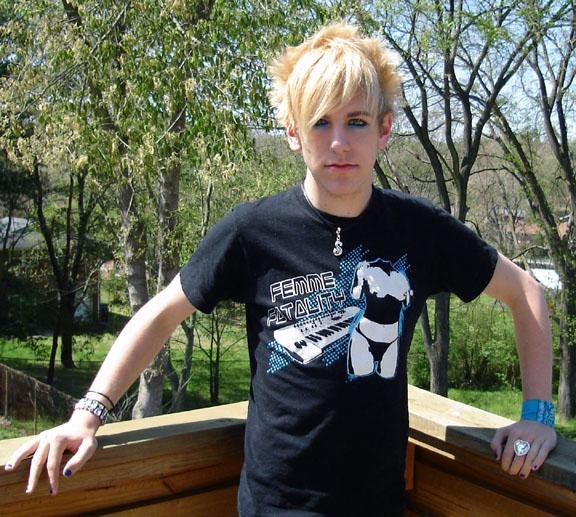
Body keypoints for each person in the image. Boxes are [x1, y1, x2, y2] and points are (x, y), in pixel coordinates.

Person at [4, 23, 557, 515]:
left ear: (385, 130)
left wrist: (537, 414)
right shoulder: (253, 231)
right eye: (320, 123)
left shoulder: (419, 230)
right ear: (293, 133)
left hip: (378, 502)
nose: (338, 142)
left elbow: (526, 292)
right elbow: (161, 313)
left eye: (357, 122)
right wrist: (88, 414)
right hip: (274, 503)